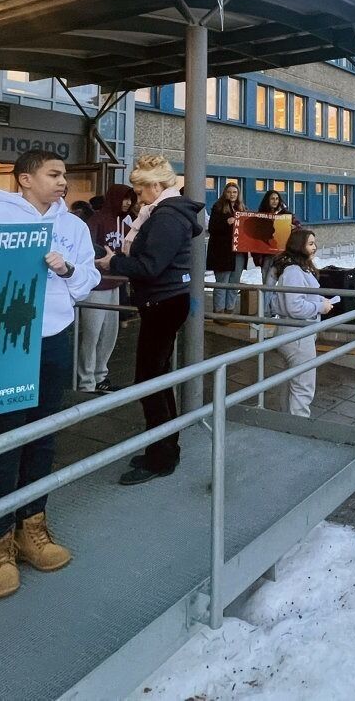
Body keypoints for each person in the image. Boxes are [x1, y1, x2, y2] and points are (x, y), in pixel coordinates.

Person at [0, 151, 100, 600]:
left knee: (44, 434)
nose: (64, 182)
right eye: (54, 174)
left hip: (55, 336)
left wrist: (66, 269)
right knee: (5, 436)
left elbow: (87, 279)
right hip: (7, 339)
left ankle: (33, 526)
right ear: (25, 179)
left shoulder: (74, 226)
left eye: (65, 174)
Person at [98, 155, 204, 486]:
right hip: (164, 301)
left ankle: (162, 457)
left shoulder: (167, 218)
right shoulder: (163, 213)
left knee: (150, 381)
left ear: (156, 187)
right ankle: (164, 447)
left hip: (163, 302)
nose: (137, 196)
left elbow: (149, 266)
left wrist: (114, 262)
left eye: (141, 189)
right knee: (156, 378)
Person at [263, 228, 336, 416]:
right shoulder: (294, 271)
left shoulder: (297, 268)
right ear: (299, 246)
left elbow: (300, 298)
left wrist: (320, 302)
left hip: (295, 332)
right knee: (303, 386)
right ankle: (299, 426)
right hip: (297, 334)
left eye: (314, 243)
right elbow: (294, 307)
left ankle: (288, 422)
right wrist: (320, 307)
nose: (315, 247)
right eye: (310, 244)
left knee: (292, 383)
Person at [78, 184, 134, 393]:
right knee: (92, 335)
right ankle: (86, 382)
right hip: (96, 286)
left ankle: (101, 376)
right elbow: (87, 248)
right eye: (125, 198)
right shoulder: (97, 220)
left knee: (110, 333)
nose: (128, 202)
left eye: (131, 199)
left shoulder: (123, 223)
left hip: (115, 284)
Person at [208, 183, 248, 315]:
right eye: (229, 192)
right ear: (225, 193)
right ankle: (219, 312)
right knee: (222, 283)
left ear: (238, 194)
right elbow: (212, 228)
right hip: (222, 252)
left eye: (234, 192)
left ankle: (229, 311)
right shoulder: (218, 207)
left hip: (238, 252)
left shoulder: (242, 208)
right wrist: (226, 222)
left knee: (234, 283)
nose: (232, 195)